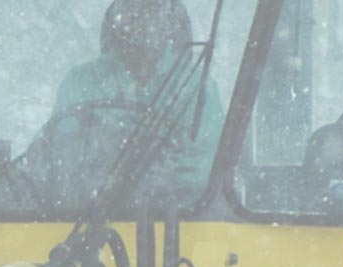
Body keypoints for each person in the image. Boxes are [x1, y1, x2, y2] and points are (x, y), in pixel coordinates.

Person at [24, 0, 223, 195]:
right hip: (81, 219)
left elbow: (203, 173)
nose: (141, 17)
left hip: (176, 222)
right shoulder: (81, 81)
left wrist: (151, 178)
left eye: (152, 8)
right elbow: (60, 161)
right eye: (132, 6)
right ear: (117, 17)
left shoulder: (195, 88)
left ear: (170, 19)